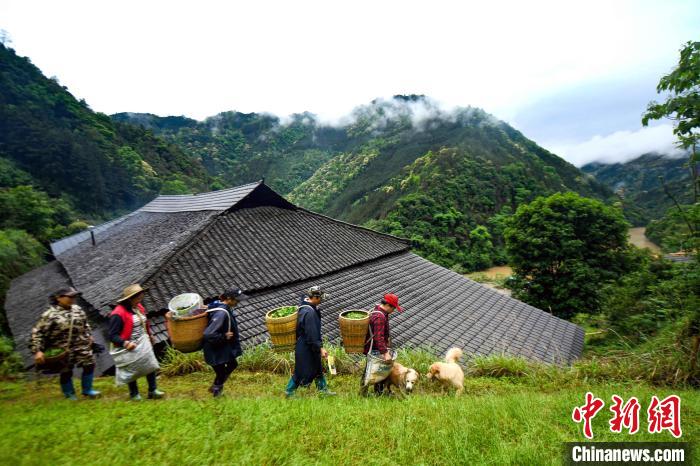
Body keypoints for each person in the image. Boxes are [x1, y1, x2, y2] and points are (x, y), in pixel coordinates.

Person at [30, 287, 101, 400]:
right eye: (70, 296)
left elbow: (85, 323)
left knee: (89, 364)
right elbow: (37, 332)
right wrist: (37, 350)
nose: (72, 299)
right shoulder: (50, 314)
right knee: (66, 370)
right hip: (63, 347)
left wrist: (89, 335)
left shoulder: (77, 309)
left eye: (74, 296)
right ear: (59, 298)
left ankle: (87, 389)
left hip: (81, 344)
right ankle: (69, 393)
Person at [108, 284, 165, 401]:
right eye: (138, 298)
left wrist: (150, 335)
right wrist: (125, 343)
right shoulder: (118, 314)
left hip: (143, 342)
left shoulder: (138, 308)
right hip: (130, 345)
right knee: (132, 368)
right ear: (130, 299)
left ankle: (152, 390)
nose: (140, 300)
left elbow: (145, 324)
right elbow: (112, 335)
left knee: (150, 364)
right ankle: (134, 394)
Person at [284, 286, 336, 398]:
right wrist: (320, 348)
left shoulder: (308, 307)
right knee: (301, 371)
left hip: (309, 345)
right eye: (321, 298)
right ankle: (289, 392)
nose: (322, 300)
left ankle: (323, 390)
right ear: (315, 297)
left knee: (317, 368)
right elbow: (312, 334)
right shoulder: (309, 313)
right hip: (306, 346)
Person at [202, 289, 247, 397]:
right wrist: (224, 336)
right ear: (228, 299)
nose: (238, 302)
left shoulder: (222, 307)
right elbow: (208, 334)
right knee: (221, 372)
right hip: (214, 349)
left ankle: (216, 386)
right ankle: (216, 392)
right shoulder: (221, 313)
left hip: (221, 347)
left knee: (232, 364)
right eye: (236, 300)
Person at [361, 293, 403, 396]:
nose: (393, 311)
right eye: (393, 308)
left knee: (376, 370)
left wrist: (387, 340)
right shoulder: (380, 317)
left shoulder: (379, 311)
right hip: (375, 349)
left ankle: (374, 392)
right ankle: (367, 393)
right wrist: (385, 353)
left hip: (376, 348)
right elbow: (378, 337)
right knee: (375, 371)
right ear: (388, 305)